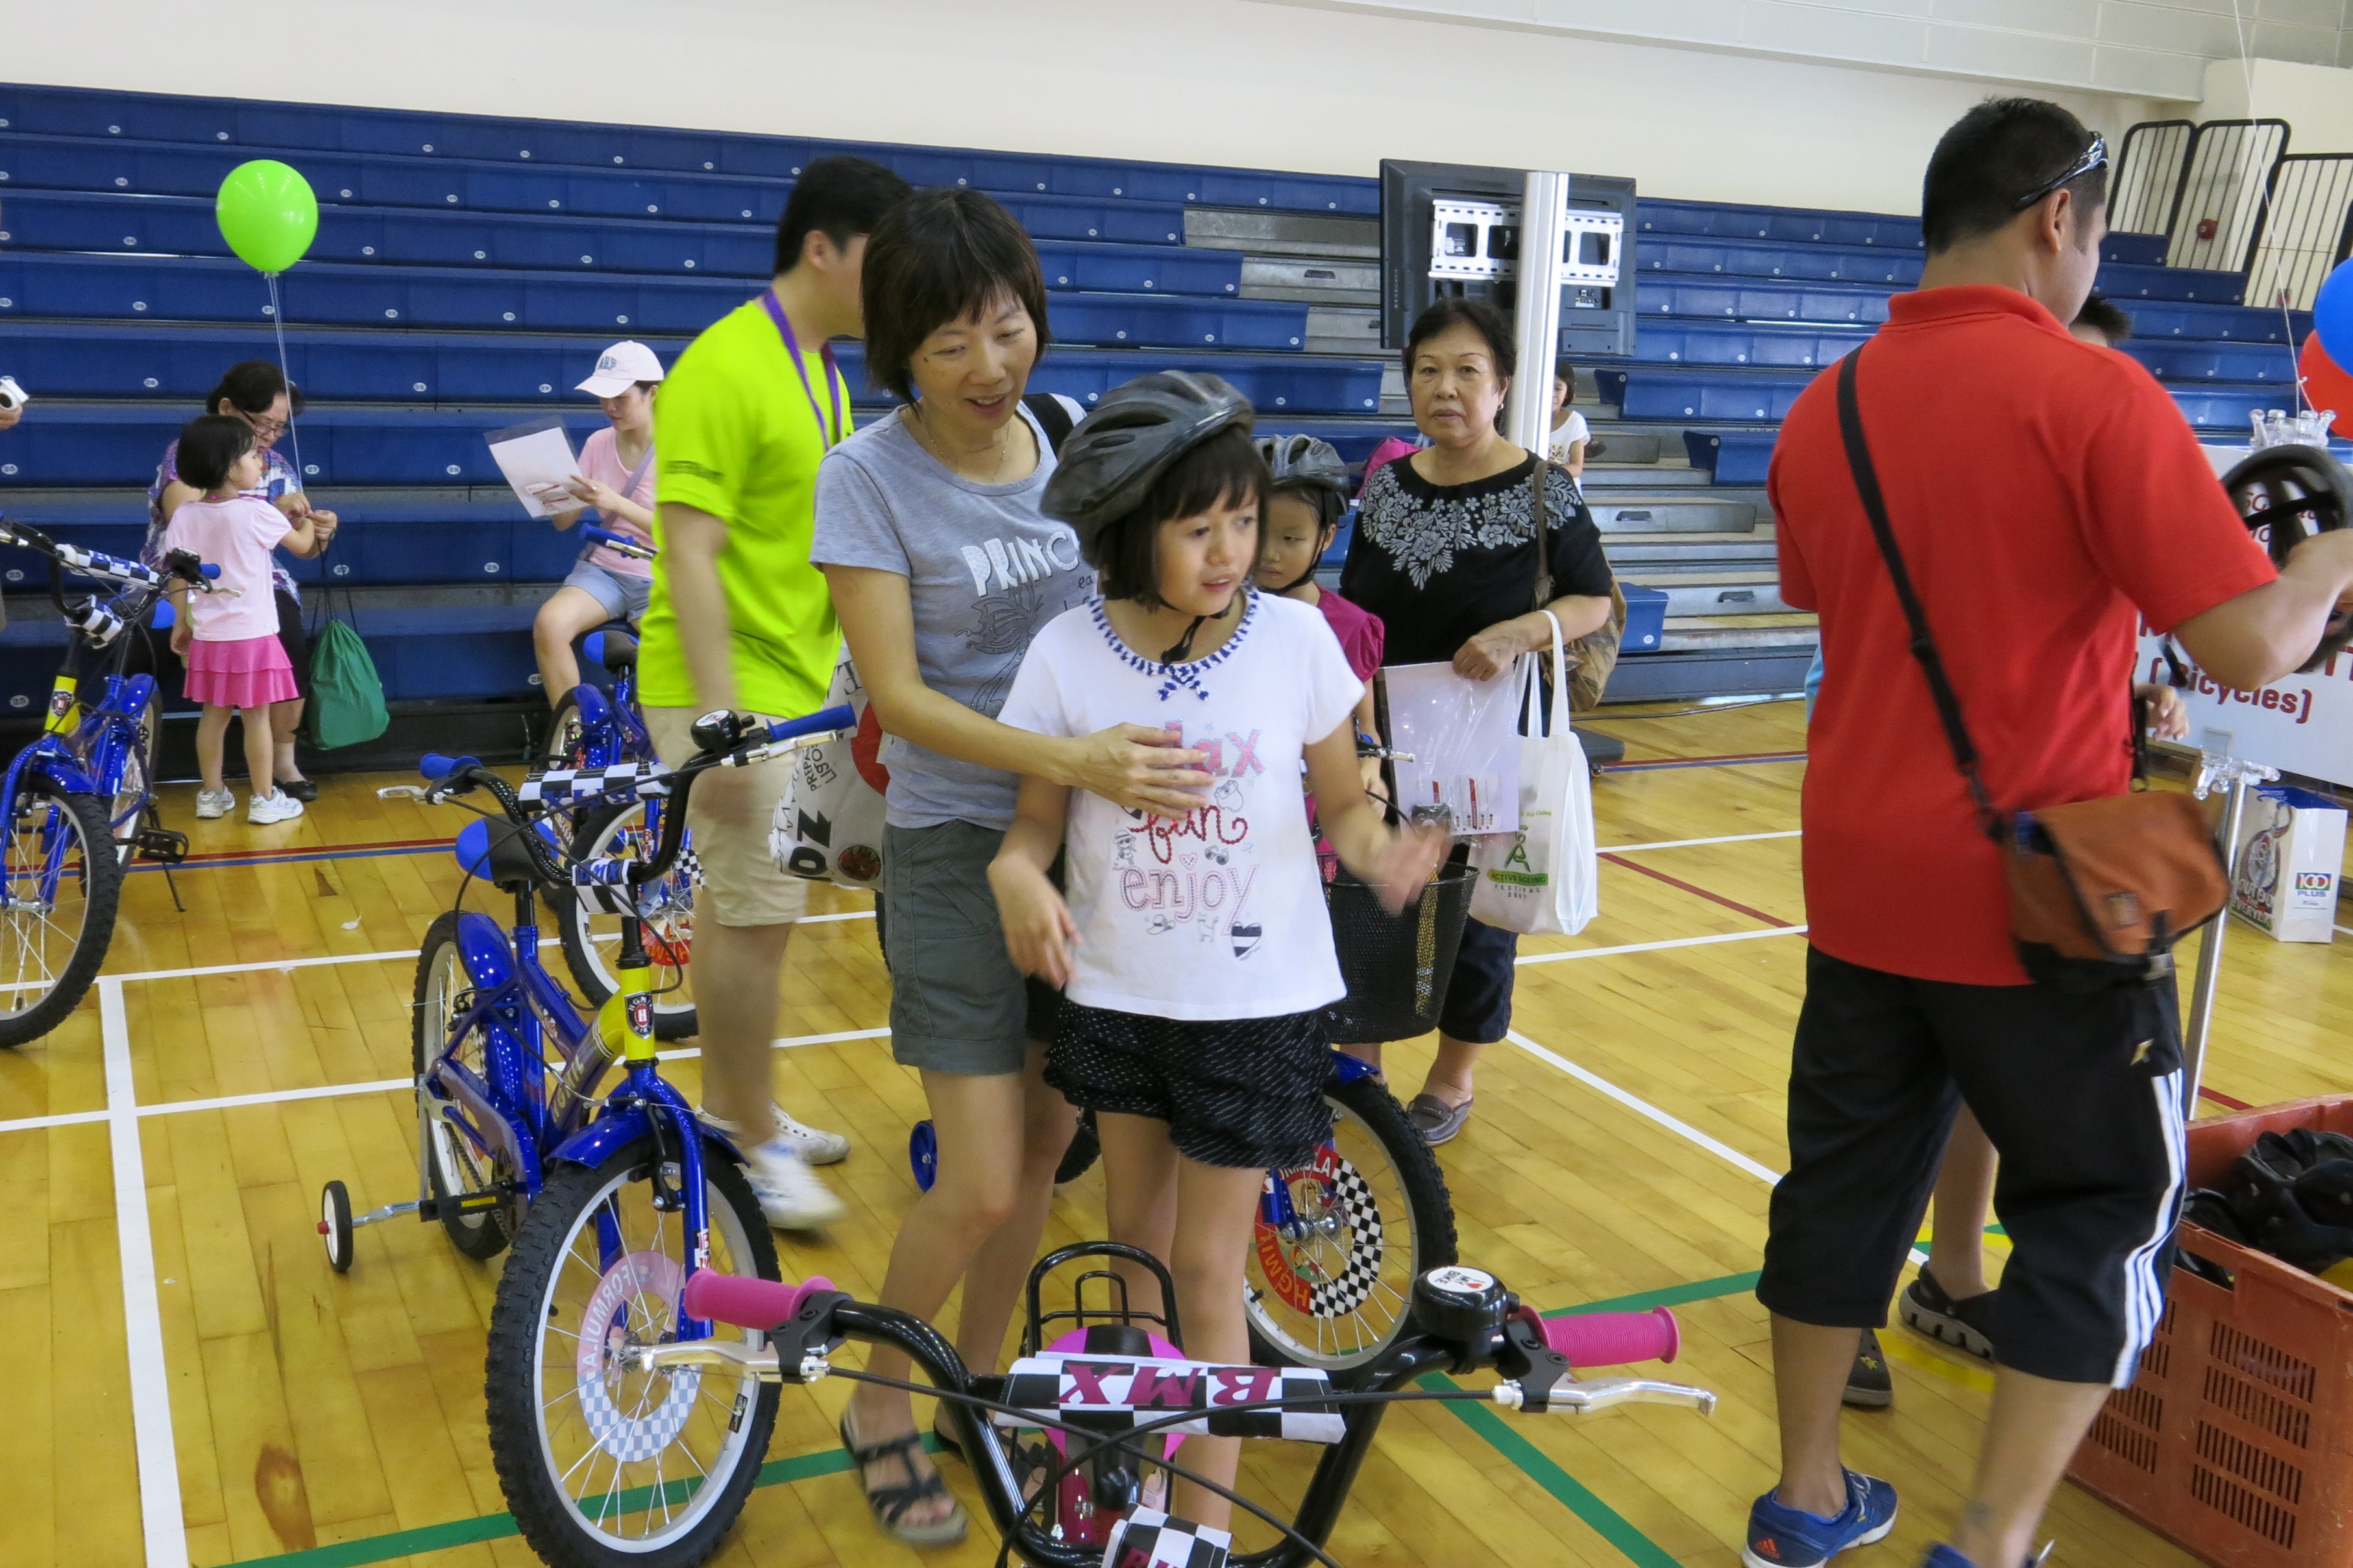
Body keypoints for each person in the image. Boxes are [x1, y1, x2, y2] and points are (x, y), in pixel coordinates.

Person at [1748, 98, 2353, 1568]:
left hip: (1860, 880)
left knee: (1839, 1190)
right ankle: (1996, 1539)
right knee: (2101, 1210)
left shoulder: (1823, 405)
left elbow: (1815, 599)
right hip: (2039, 902)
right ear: (2058, 217)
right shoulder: (2097, 397)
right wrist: (2333, 551)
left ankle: (1807, 1500)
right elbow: (2252, 646)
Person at [814, 187, 1213, 1547]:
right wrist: (1078, 756)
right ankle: (879, 1395)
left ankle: (975, 1390)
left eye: (1007, 328)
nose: (992, 368)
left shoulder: (1062, 440)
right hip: (948, 846)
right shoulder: (863, 477)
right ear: (898, 357)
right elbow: (901, 697)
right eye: (952, 347)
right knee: (980, 1174)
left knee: (1048, 1145)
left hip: (1079, 842)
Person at [990, 371, 1447, 1539]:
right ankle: (1138, 1490)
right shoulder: (1063, 655)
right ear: (1125, 533)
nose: (1231, 548)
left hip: (1258, 1003)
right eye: (1200, 528)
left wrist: (1385, 852)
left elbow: (1343, 810)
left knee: (1207, 1266)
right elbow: (1030, 833)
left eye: (1242, 520)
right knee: (1134, 1249)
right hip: (1122, 997)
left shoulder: (1297, 639)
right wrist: (1014, 881)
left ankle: (1201, 1523)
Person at [1829, 284, 2174, 1411]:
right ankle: (1893, 1330)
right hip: (1968, 845)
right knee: (1897, 1125)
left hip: (2023, 855)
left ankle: (1952, 1273)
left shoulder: (2091, 454)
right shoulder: (1999, 440)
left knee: (1939, 1101)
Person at [636, 155, 910, 1227]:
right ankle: (743, 1140)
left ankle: (736, 1104)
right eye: (881, 262)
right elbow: (691, 552)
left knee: (751, 914)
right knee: (754, 915)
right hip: (726, 690)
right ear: (823, 249)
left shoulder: (824, 368)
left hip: (793, 682)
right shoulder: (726, 364)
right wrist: (721, 724)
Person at [1337, 297, 1617, 1145]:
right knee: (1375, 894)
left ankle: (1453, 1078)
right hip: (1392, 730)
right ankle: (1362, 1067)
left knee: (1480, 915)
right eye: (1426, 370)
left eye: (1466, 371)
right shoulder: (1386, 486)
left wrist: (1517, 632)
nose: (1445, 388)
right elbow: (1356, 614)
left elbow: (1593, 600)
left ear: (1501, 386)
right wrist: (1357, 729)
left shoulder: (1542, 491)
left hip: (1488, 739)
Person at [149, 361, 337, 802]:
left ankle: (271, 765)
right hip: (199, 586)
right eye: (261, 425)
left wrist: (320, 528)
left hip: (241, 584)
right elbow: (186, 514)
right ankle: (262, 795)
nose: (269, 439)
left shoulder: (273, 465)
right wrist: (278, 509)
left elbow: (306, 548)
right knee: (128, 635)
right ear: (228, 407)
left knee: (286, 634)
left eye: (279, 428)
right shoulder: (193, 450)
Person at [1253, 433, 1385, 813]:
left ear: (1326, 537)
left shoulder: (1352, 627)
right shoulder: (1212, 618)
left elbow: (1366, 729)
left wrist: (1370, 766)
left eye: (1291, 538)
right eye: (1254, 530)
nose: (1269, 553)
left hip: (1317, 816)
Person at [530, 341, 663, 706]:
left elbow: (684, 534)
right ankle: (570, 732)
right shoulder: (598, 441)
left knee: (675, 655)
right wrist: (550, 494)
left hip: (662, 574)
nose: (609, 407)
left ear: (651, 394)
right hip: (604, 570)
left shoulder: (681, 448)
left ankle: (663, 744)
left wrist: (614, 502)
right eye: (603, 397)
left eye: (620, 397)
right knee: (550, 624)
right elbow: (565, 522)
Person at [1548, 358, 1591, 477]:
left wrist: (1546, 475)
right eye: (1546, 386)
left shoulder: (1575, 421)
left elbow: (1576, 467)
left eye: (1557, 389)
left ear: (1567, 392)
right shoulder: (1522, 420)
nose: (1551, 394)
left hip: (1561, 490)